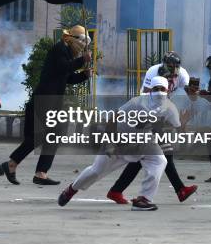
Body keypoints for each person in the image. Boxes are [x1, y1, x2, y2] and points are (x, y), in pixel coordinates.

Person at [58, 77, 179, 211]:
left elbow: (174, 126)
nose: (159, 92)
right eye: (156, 89)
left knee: (160, 160)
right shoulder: (137, 103)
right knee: (96, 171)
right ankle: (71, 189)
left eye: (163, 89)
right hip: (118, 140)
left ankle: (143, 199)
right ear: (150, 91)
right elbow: (113, 118)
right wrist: (110, 143)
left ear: (168, 91)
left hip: (142, 142)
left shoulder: (170, 108)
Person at [2, 25, 91, 186]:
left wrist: (84, 75)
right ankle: (33, 170)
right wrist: (81, 61)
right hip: (44, 100)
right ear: (74, 39)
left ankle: (21, 167)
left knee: (42, 137)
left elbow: (68, 77)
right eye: (82, 41)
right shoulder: (59, 49)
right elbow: (62, 67)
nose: (83, 46)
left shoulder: (68, 54)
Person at [106, 52, 197, 204]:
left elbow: (190, 94)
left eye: (176, 67)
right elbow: (145, 97)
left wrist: (194, 94)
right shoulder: (153, 72)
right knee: (162, 152)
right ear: (164, 65)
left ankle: (116, 190)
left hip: (162, 111)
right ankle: (179, 189)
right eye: (170, 67)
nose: (173, 70)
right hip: (144, 113)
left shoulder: (182, 74)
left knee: (144, 155)